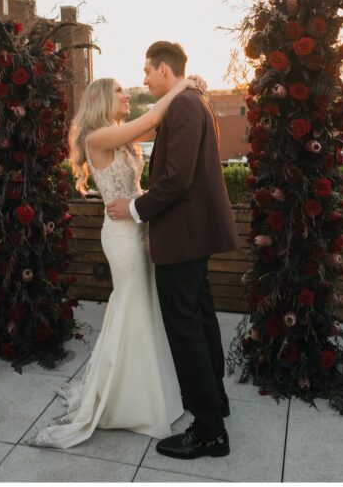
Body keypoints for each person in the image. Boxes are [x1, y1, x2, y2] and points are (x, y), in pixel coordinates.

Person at [32, 73, 202, 448]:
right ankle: (128, 401)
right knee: (132, 308)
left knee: (148, 308)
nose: (128, 94)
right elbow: (154, 118)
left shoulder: (118, 134)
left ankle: (156, 392)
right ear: (101, 100)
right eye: (120, 91)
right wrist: (183, 84)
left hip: (140, 229)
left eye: (127, 89)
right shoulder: (97, 137)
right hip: (122, 237)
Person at [105, 41, 239, 460]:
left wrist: (134, 207)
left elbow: (177, 178)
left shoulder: (183, 106)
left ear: (164, 69)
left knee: (185, 331)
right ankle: (215, 403)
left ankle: (209, 431)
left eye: (147, 70)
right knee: (201, 320)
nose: (142, 79)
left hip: (181, 237)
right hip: (193, 235)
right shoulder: (191, 100)